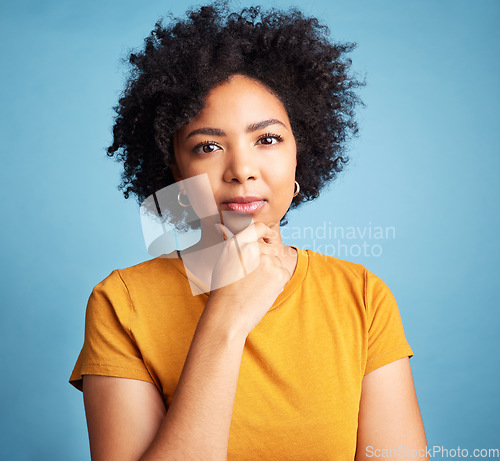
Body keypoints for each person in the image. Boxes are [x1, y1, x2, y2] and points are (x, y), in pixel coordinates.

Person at [70, 4, 428, 460]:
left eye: (268, 139)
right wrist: (228, 315)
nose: (241, 170)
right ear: (174, 168)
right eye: (208, 146)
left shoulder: (361, 296)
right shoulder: (122, 302)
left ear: (303, 151)